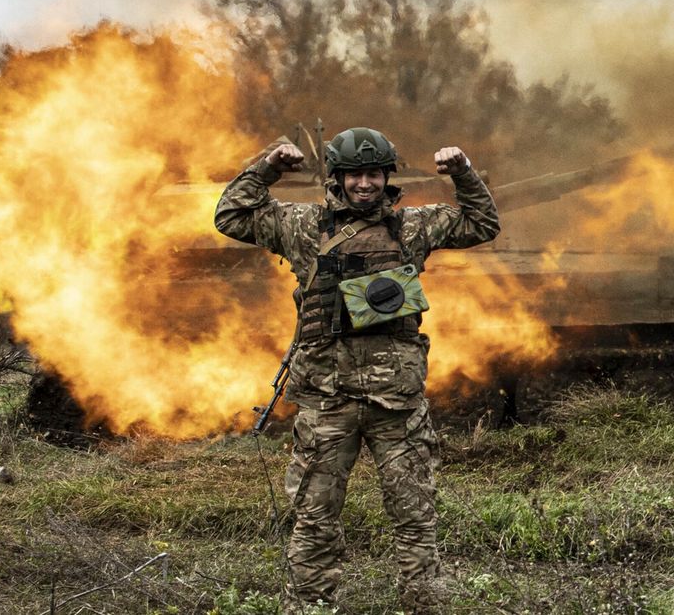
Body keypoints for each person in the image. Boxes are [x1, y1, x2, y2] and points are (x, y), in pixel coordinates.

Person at [214, 127, 500, 610]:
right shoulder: (303, 225)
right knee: (315, 518)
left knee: (415, 518)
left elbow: (482, 223)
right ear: (338, 178)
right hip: (328, 402)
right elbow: (231, 215)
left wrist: (463, 173)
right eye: (354, 175)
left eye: (373, 174)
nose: (364, 184)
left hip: (397, 404)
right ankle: (309, 606)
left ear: (386, 177)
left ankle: (423, 605)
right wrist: (269, 166)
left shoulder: (413, 227)